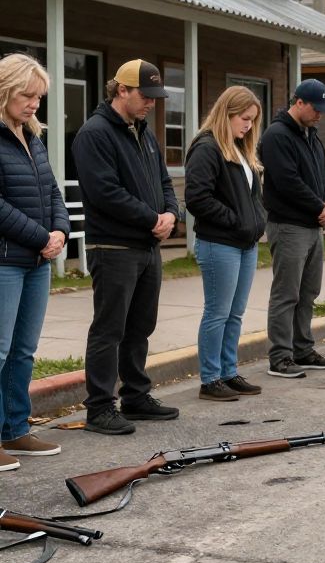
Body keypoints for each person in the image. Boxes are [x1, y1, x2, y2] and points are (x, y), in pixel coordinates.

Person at [72, 59, 180, 435]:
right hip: (114, 246)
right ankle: (100, 407)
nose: (152, 102)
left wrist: (170, 212)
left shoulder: (144, 131)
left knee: (140, 326)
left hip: (147, 246)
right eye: (145, 95)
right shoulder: (95, 133)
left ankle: (135, 396)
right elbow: (104, 192)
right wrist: (151, 218)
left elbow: (164, 180)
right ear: (122, 90)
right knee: (110, 328)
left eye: (155, 96)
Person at [0, 54, 69, 467]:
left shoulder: (31, 136)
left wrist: (59, 230)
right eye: (27, 96)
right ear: (5, 90)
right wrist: (42, 236)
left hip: (37, 262)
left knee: (23, 351)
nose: (33, 105)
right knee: (0, 350)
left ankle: (14, 430)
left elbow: (52, 192)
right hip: (6, 260)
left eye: (38, 98)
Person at [185, 86, 267, 402]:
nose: (248, 126)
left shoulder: (240, 148)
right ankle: (210, 379)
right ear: (227, 113)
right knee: (217, 312)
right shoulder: (207, 148)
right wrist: (236, 220)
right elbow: (197, 198)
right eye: (243, 119)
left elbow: (252, 196)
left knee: (235, 313)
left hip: (245, 243)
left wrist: (255, 219)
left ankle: (228, 371)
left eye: (252, 121)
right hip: (219, 243)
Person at [259, 79, 325, 378]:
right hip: (289, 225)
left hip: (312, 226)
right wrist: (320, 207)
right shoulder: (277, 136)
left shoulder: (312, 136)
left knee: (308, 292)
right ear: (299, 103)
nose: (320, 115)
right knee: (286, 294)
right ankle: (280, 356)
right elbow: (287, 181)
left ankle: (302, 349)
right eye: (316, 109)